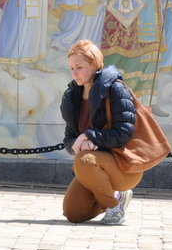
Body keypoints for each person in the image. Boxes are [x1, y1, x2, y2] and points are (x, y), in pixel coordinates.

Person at [60, 40, 141, 225]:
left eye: (79, 67)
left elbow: (123, 133)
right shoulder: (73, 96)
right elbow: (69, 138)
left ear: (95, 64)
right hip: (91, 167)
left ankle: (114, 207)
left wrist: (90, 136)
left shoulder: (115, 89)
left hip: (123, 166)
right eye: (71, 68)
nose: (74, 73)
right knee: (74, 213)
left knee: (84, 159)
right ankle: (115, 196)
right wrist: (80, 142)